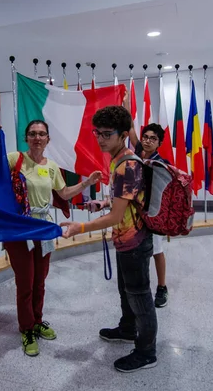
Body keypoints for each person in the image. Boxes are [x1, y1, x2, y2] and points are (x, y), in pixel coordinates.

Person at [0, 121, 101, 357]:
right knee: (26, 281)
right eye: (32, 134)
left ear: (48, 139)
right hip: (19, 228)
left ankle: (37, 321)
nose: (37, 138)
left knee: (40, 280)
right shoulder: (14, 159)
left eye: (41, 134)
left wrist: (87, 182)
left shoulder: (51, 167)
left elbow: (63, 193)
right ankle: (26, 328)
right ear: (26, 138)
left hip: (44, 226)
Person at [61, 106, 158, 373]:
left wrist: (80, 227)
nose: (100, 139)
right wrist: (102, 203)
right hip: (125, 240)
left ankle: (147, 352)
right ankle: (128, 329)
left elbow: (117, 217)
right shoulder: (118, 160)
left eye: (107, 134)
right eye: (97, 133)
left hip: (135, 242)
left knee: (140, 297)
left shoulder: (126, 165)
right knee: (126, 291)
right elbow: (124, 203)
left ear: (123, 135)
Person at [127, 122, 170, 308]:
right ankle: (140, 284)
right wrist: (125, 99)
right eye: (146, 137)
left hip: (154, 214)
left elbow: (168, 193)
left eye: (153, 138)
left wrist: (165, 219)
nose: (147, 141)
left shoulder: (162, 164)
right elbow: (130, 129)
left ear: (159, 143)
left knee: (157, 251)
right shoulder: (137, 153)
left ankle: (162, 287)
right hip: (135, 213)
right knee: (138, 250)